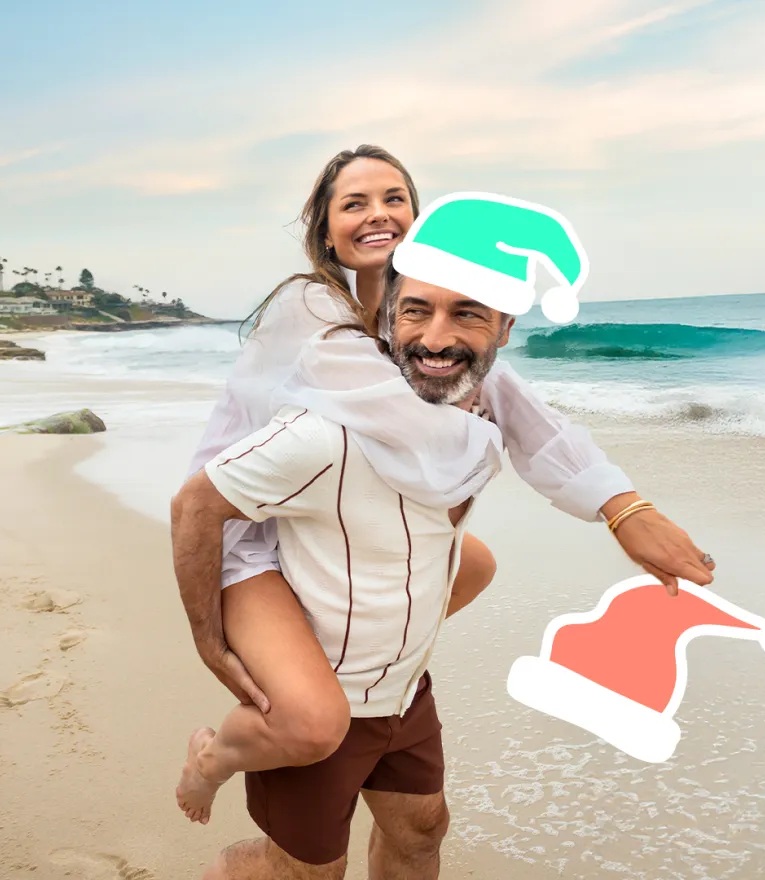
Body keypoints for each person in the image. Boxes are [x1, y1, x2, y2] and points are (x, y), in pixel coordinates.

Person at [175, 146, 716, 827]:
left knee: (476, 564)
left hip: (326, 526)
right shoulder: (312, 304)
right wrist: (208, 638)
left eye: (394, 198)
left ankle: (345, 667)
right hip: (246, 532)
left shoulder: (416, 304)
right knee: (313, 721)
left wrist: (623, 506)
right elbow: (415, 423)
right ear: (325, 230)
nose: (378, 215)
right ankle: (214, 757)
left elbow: (512, 400)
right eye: (355, 204)